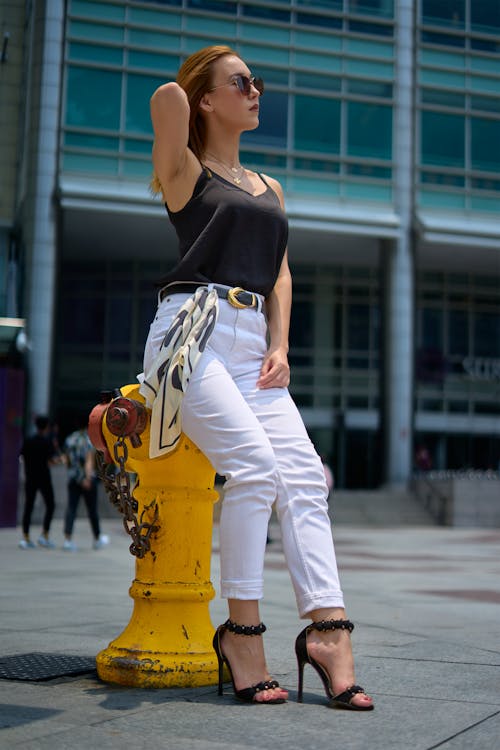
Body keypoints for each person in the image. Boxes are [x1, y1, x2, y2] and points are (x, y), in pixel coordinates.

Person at [142, 45, 373, 709]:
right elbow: (166, 102)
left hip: (254, 349)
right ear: (208, 100)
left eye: (259, 82)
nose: (256, 92)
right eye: (242, 82)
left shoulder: (268, 187)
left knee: (303, 475)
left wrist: (282, 343)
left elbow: (279, 274)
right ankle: (242, 634)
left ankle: (328, 633)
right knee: (252, 467)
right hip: (193, 334)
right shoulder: (185, 172)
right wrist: (191, 88)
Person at [62, 421, 109, 551]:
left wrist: (75, 475)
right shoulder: (88, 440)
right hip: (87, 480)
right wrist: (87, 478)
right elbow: (89, 461)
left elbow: (66, 460)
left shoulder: (69, 439)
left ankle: (67, 539)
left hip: (73, 479)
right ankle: (97, 538)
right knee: (92, 510)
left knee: (71, 508)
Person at [19, 415, 57, 549]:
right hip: (44, 478)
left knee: (28, 506)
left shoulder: (28, 440)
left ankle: (26, 536)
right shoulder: (47, 442)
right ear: (46, 427)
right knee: (51, 505)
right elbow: (52, 461)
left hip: (31, 477)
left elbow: (22, 456)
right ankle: (44, 535)